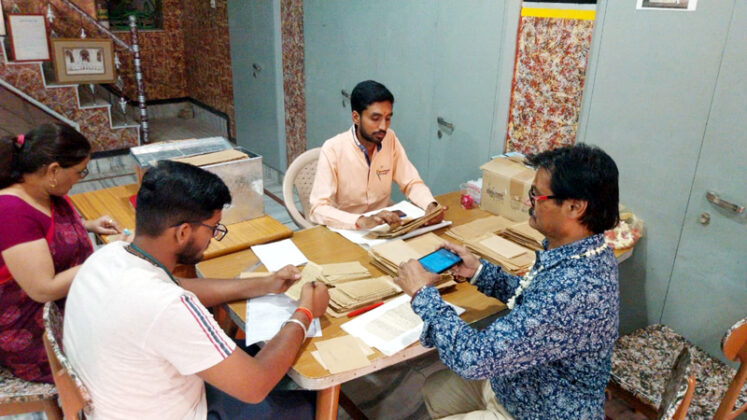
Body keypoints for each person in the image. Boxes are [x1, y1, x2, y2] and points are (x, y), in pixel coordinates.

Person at [63, 160, 330, 420]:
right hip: (175, 411)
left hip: (119, 402)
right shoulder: (167, 306)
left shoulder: (110, 254)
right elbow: (255, 386)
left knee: (265, 356)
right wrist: (305, 312)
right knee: (307, 400)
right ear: (183, 232)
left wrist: (266, 283)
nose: (212, 238)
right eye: (213, 229)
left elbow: (178, 286)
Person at [394, 144, 621, 419]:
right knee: (436, 390)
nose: (529, 202)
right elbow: (535, 302)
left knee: (446, 383)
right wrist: (479, 272)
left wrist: (422, 294)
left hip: (540, 411)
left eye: (537, 195)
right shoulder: (586, 250)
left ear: (575, 207)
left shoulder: (576, 288)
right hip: (520, 384)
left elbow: (474, 358)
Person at [0, 123, 120, 383]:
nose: (79, 178)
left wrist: (87, 225)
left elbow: (44, 233)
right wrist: (108, 255)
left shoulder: (43, 192)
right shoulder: (10, 211)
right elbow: (43, 289)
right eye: (79, 172)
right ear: (53, 171)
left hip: (71, 305)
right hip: (35, 332)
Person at [309, 80, 443, 230]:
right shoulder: (333, 149)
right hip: (346, 229)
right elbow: (318, 209)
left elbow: (411, 182)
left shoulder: (389, 139)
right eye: (375, 118)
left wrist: (431, 205)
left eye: (388, 118)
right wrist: (360, 221)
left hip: (382, 228)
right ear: (356, 117)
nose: (383, 127)